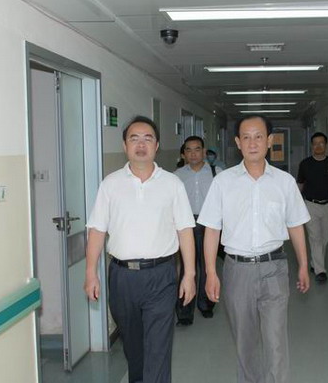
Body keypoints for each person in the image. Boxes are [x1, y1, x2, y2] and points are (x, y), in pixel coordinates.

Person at [84, 116, 196, 383]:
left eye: (148, 139)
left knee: (158, 347)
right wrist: (90, 272)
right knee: (134, 348)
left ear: (157, 145)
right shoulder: (110, 184)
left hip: (161, 275)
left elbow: (184, 231)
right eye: (134, 139)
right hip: (122, 276)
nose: (141, 145)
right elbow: (97, 229)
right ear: (125, 146)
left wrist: (189, 275)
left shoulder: (172, 184)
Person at [199, 115, 311, 383]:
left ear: (269, 141)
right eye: (246, 137)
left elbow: (296, 225)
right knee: (245, 342)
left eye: (258, 137)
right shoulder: (223, 182)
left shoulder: (284, 182)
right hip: (237, 270)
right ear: (238, 142)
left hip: (275, 268)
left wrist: (304, 265)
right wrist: (211, 273)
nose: (252, 143)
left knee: (276, 341)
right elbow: (212, 229)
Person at [174, 135, 222, 326]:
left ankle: (206, 305)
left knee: (208, 266)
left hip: (209, 224)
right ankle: (184, 312)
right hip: (186, 225)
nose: (193, 154)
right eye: (189, 150)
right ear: (184, 154)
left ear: (203, 151)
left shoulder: (216, 173)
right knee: (187, 268)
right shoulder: (177, 176)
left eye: (197, 149)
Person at [296, 132, 328, 283]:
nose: (318, 146)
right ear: (312, 146)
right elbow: (300, 185)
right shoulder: (305, 164)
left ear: (326, 146)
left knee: (324, 238)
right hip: (310, 205)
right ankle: (320, 271)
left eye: (321, 143)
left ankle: (314, 263)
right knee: (315, 238)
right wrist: (296, 204)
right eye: (315, 143)